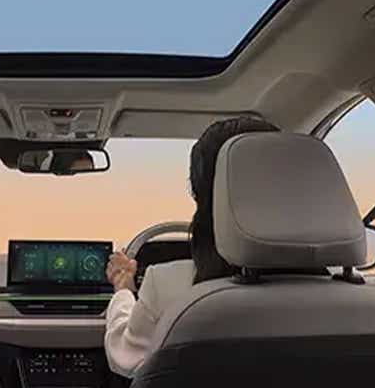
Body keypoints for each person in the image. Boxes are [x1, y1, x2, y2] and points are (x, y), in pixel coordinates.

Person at [103, 117, 279, 378]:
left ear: (200, 194)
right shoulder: (358, 304)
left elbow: (124, 358)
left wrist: (123, 289)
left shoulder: (167, 285)